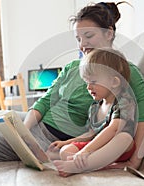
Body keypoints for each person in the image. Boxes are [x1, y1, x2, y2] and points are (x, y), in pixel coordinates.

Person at [0, 2, 144, 171]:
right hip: (32, 123)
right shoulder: (73, 67)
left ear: (109, 33)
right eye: (78, 38)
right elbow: (45, 101)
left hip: (52, 138)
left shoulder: (123, 71)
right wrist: (23, 131)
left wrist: (136, 159)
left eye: (89, 35)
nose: (83, 44)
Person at [50, 48, 137, 177]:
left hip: (119, 149)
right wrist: (67, 142)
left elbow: (113, 129)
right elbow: (91, 133)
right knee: (65, 151)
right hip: (97, 148)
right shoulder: (95, 107)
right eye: (86, 82)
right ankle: (93, 164)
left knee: (125, 138)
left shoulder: (122, 102)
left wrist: (86, 151)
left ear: (114, 82)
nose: (88, 87)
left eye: (93, 82)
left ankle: (80, 166)